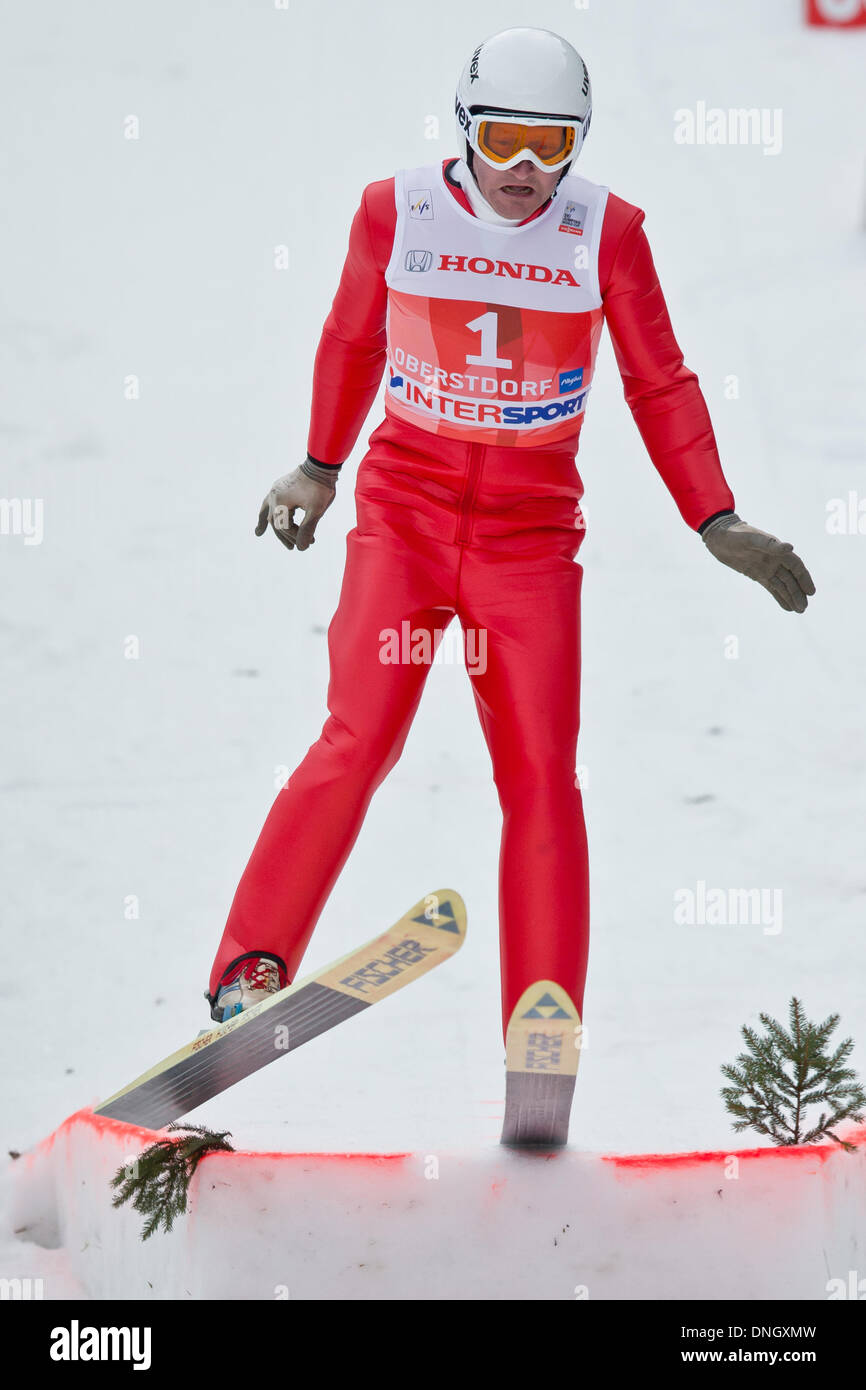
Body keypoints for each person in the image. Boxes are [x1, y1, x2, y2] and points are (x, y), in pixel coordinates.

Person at [204, 27, 815, 1144]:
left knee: (539, 772)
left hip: (528, 543)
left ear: (576, 145)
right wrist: (318, 466)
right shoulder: (395, 212)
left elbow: (659, 378)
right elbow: (348, 337)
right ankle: (252, 962)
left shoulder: (608, 232)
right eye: (503, 138)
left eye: (551, 143)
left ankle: (543, 1018)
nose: (524, 166)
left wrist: (712, 515)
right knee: (359, 737)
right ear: (463, 127)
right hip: (404, 518)